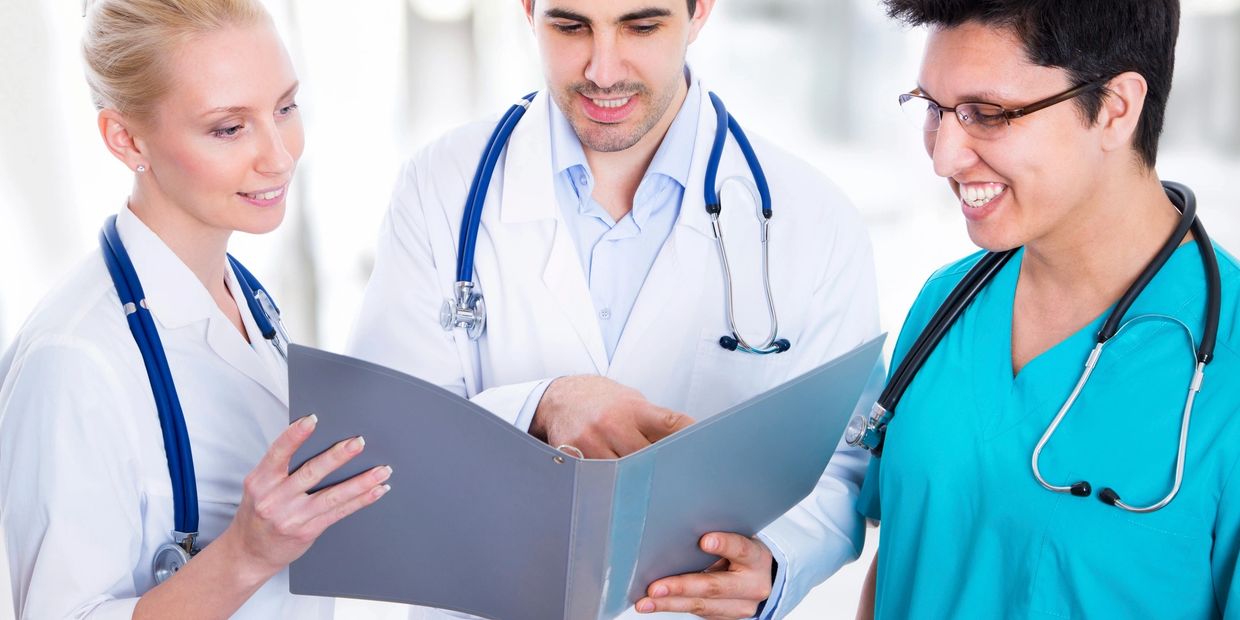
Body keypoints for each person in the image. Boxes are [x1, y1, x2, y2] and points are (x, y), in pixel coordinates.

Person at [348, 0, 882, 618]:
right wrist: (541, 406)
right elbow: (380, 439)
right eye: (570, 26)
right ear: (527, 9)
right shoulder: (440, 187)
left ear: (700, 10)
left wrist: (775, 560)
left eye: (642, 26)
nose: (603, 70)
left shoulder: (813, 218)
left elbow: (842, 461)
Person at [0, 1, 391, 617]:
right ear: (125, 139)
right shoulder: (73, 360)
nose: (280, 155)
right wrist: (245, 553)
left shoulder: (247, 299)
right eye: (229, 128)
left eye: (285, 108)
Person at [854, 1, 1240, 617]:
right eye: (934, 108)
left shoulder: (1228, 370)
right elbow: (910, 553)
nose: (943, 157)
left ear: (1116, 108)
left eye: (988, 114)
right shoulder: (945, 304)